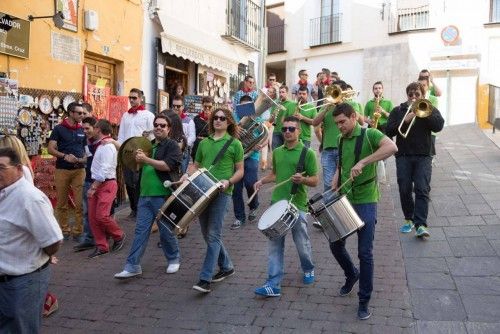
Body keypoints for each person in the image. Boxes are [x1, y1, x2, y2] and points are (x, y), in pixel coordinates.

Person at [328, 103, 398, 320]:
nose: (340, 126)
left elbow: (392, 148)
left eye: (343, 122)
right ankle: (351, 274)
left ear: (353, 117)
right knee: (335, 244)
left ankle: (364, 300)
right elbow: (341, 164)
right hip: (346, 198)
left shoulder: (370, 134)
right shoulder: (340, 139)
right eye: (337, 123)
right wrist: (336, 177)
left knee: (364, 252)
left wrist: (364, 161)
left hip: (367, 200)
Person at [253, 116, 318, 297]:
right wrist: (262, 181)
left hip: (297, 205)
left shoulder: (308, 153)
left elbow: (315, 180)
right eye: (285, 129)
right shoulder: (278, 151)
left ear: (299, 131)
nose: (287, 132)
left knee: (301, 243)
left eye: (291, 129)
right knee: (275, 245)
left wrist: (303, 179)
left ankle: (308, 268)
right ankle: (273, 283)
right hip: (277, 203)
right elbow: (275, 174)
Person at [0, 147, 63, 333]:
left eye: (1, 167)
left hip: (23, 281)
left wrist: (35, 258)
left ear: (19, 169)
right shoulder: (4, 194)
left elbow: (53, 241)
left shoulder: (30, 198)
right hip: (7, 279)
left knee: (22, 329)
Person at [115, 114, 183, 278]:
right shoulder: (147, 145)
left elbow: (167, 166)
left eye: (163, 125)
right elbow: (139, 167)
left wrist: (145, 159)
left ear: (169, 129)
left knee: (166, 231)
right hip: (145, 195)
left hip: (163, 194)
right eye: (156, 125)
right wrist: (136, 162)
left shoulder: (172, 145)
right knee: (140, 232)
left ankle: (174, 259)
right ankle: (132, 266)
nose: (159, 127)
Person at [187, 108, 244, 293]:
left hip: (222, 192)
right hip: (202, 190)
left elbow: (240, 171)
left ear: (229, 122)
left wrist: (228, 181)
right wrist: (187, 176)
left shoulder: (235, 144)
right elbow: (196, 166)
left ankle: (205, 279)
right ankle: (226, 266)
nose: (218, 121)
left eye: (222, 118)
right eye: (215, 118)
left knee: (213, 234)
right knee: (206, 234)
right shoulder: (204, 143)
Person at [386, 82, 445, 238]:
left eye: (417, 94)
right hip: (403, 155)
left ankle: (420, 224)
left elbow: (439, 126)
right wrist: (406, 119)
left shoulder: (428, 107)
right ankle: (408, 219)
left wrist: (427, 113)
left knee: (422, 188)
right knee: (404, 188)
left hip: (424, 155)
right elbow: (389, 130)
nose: (413, 97)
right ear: (407, 94)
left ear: (422, 95)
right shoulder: (398, 110)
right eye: (411, 94)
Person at [86, 120, 125, 258]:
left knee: (101, 215)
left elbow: (105, 169)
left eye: (94, 128)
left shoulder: (107, 146)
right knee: (93, 217)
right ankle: (102, 246)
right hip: (99, 182)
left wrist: (94, 186)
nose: (91, 130)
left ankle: (118, 235)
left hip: (105, 183)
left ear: (98, 129)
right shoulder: (101, 145)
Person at [48, 101, 87, 240]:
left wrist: (82, 159)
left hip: (79, 170)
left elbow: (86, 150)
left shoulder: (83, 129)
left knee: (80, 202)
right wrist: (65, 156)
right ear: (71, 113)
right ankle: (64, 229)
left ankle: (78, 231)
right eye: (79, 113)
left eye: (83, 113)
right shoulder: (59, 129)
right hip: (62, 169)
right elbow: (51, 148)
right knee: (62, 202)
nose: (82, 115)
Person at [117, 88, 155, 218]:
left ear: (140, 98)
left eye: (134, 97)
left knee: (139, 182)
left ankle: (140, 209)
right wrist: (120, 152)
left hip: (141, 153)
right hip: (127, 154)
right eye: (130, 98)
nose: (132, 100)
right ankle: (133, 208)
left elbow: (153, 136)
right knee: (128, 181)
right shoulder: (125, 115)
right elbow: (121, 135)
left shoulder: (148, 115)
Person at [230, 95, 262, 229]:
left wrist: (258, 145)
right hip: (236, 156)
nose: (245, 109)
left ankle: (254, 205)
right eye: (243, 106)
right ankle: (239, 217)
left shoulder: (257, 118)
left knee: (250, 183)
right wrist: (234, 131)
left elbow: (264, 135)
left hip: (252, 155)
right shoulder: (233, 118)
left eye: (248, 106)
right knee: (236, 189)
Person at [73, 117, 98, 252]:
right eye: (83, 128)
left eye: (87, 128)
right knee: (87, 210)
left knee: (101, 212)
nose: (84, 131)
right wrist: (77, 159)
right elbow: (88, 158)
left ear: (95, 128)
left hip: (100, 181)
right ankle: (89, 238)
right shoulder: (86, 140)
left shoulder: (102, 141)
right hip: (88, 178)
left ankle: (105, 236)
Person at [172, 95, 196, 173]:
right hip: (170, 148)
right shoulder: (168, 119)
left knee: (182, 172)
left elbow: (192, 136)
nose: (175, 108)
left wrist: (183, 145)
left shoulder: (189, 121)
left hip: (183, 150)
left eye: (178, 106)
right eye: (174, 106)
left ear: (183, 107)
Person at [270, 85, 296, 150]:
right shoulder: (276, 103)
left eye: (283, 92)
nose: (281, 94)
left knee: (288, 151)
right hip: (276, 131)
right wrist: (274, 114)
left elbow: (293, 119)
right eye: (280, 92)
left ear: (287, 93)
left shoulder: (292, 104)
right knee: (275, 152)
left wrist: (284, 110)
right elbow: (270, 121)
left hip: (288, 131)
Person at [192, 96, 213, 161]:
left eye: (209, 107)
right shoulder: (196, 118)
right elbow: (194, 133)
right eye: (205, 106)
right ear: (202, 106)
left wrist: (210, 119)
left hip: (210, 145)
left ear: (212, 107)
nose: (207, 108)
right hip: (198, 145)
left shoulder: (215, 118)